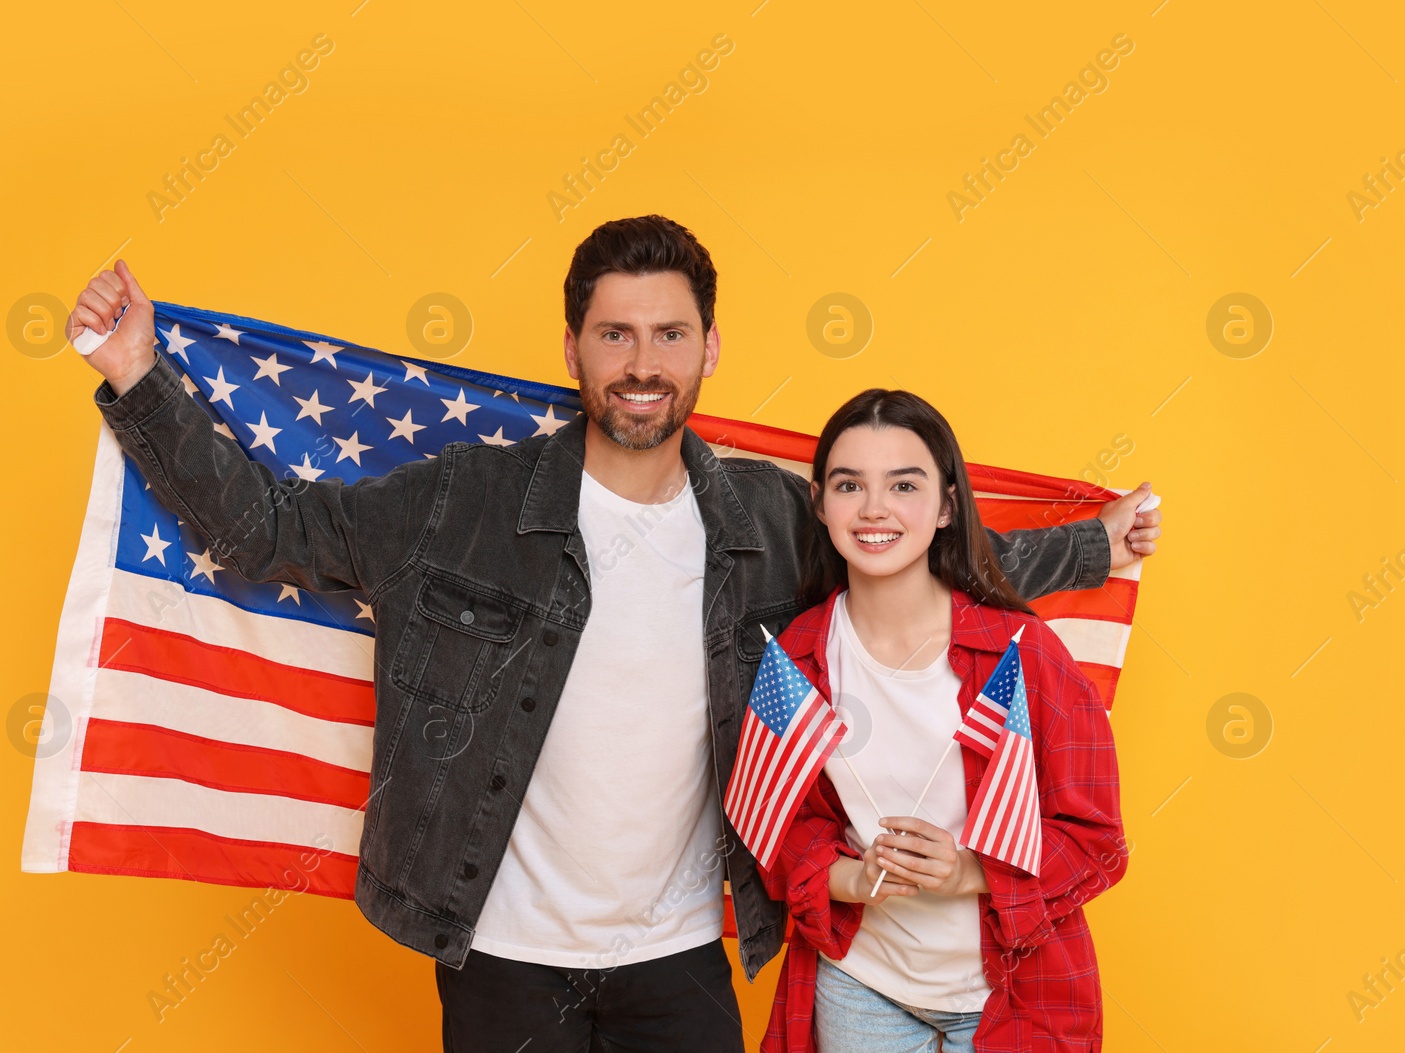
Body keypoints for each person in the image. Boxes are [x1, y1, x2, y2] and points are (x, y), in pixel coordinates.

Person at [66, 215, 1158, 1052]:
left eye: (670, 333)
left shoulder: (769, 519)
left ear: (710, 348)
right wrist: (136, 376)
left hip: (680, 955)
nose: (643, 360)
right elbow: (274, 532)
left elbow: (918, 557)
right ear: (575, 347)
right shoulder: (466, 502)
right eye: (616, 333)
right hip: (497, 954)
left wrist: (1091, 549)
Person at [755, 388, 1129, 1053]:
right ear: (819, 502)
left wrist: (966, 871)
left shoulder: (1025, 654)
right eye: (849, 484)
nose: (874, 508)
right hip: (858, 984)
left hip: (1014, 988)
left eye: (904, 484)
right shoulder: (797, 658)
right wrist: (855, 875)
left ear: (947, 505)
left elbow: (1095, 840)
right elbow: (788, 831)